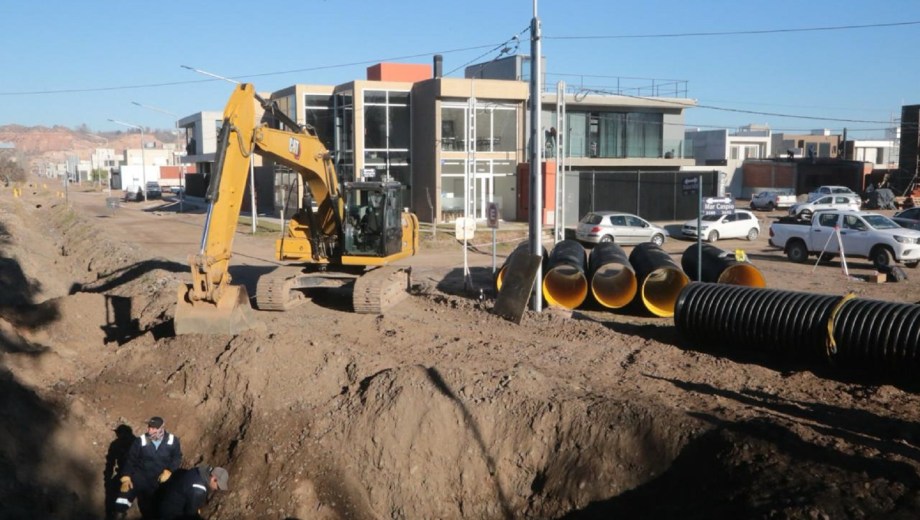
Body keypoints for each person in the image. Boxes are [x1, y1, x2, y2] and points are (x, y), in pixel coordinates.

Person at [119, 416, 182, 518]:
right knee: (122, 498)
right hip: (140, 477)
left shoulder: (172, 441)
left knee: (153, 508)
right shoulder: (142, 441)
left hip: (159, 480)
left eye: (153, 428)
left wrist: (170, 470)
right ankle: (118, 513)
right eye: (149, 427)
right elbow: (130, 460)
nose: (149, 430)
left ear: (161, 428)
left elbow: (177, 458)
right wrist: (126, 476)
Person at [155, 464, 229, 520]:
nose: (217, 489)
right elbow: (190, 514)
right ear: (214, 479)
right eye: (218, 486)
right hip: (170, 513)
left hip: (167, 498)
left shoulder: (200, 471)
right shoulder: (198, 490)